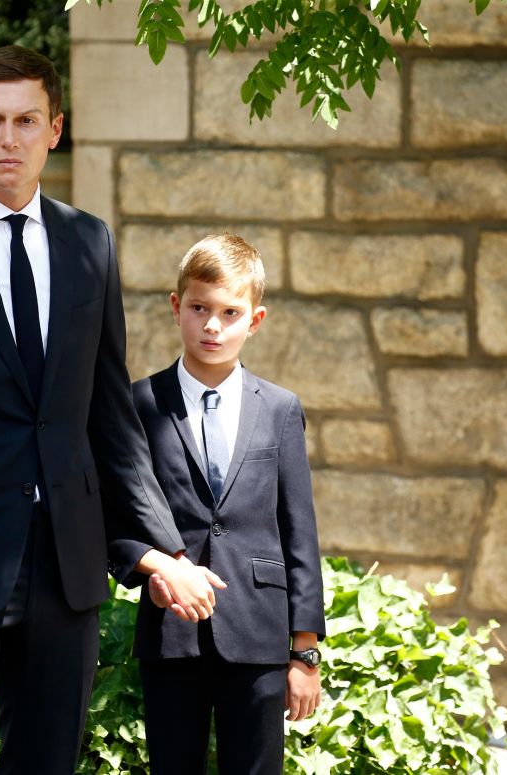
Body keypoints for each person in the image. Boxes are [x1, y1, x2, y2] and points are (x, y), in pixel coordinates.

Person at [0, 45, 219, 774]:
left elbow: (110, 416)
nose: (9, 138)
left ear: (56, 128)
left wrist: (164, 546)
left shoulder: (90, 242)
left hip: (67, 565)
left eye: (26, 120)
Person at [110, 234, 326, 774]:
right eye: (200, 308)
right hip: (170, 631)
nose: (212, 325)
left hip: (259, 631)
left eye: (229, 313)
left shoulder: (279, 409)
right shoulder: (138, 403)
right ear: (176, 307)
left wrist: (304, 654)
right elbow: (113, 517)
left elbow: (299, 530)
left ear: (254, 320)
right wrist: (146, 567)